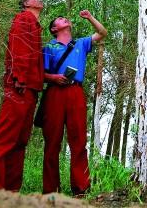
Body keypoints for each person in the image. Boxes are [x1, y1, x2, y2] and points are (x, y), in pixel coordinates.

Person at [0, 0, 44, 190]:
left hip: (30, 89)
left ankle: (10, 189)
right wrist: (19, 78)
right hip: (20, 86)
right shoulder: (24, 18)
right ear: (26, 4)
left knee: (20, 141)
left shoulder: (35, 24)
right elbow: (19, 48)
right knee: (4, 137)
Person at [42, 10, 107, 196]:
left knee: (78, 140)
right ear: (55, 29)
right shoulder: (49, 47)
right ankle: (50, 191)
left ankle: (81, 189)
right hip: (55, 93)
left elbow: (103, 33)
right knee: (52, 142)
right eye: (61, 19)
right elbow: (41, 74)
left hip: (76, 92)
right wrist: (54, 77)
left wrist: (90, 18)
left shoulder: (80, 43)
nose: (65, 19)